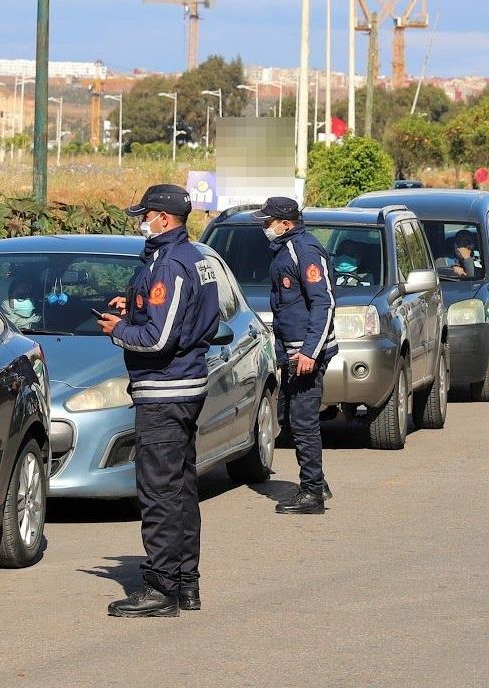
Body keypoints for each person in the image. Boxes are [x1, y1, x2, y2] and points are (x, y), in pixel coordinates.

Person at [96, 184, 220, 617]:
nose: (141, 222)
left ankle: (161, 587)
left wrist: (120, 330)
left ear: (165, 219)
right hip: (184, 388)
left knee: (159, 492)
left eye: (145, 215)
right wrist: (132, 307)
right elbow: (187, 314)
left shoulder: (170, 264)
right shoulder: (195, 258)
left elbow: (160, 338)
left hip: (165, 391)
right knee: (181, 488)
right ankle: (186, 583)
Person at [249, 196, 337, 515]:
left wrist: (310, 351)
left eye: (268, 222)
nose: (264, 227)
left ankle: (312, 492)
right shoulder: (285, 250)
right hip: (293, 354)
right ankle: (317, 482)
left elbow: (323, 303)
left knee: (303, 422)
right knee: (291, 418)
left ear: (286, 224)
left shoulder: (305, 251)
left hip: (306, 355)